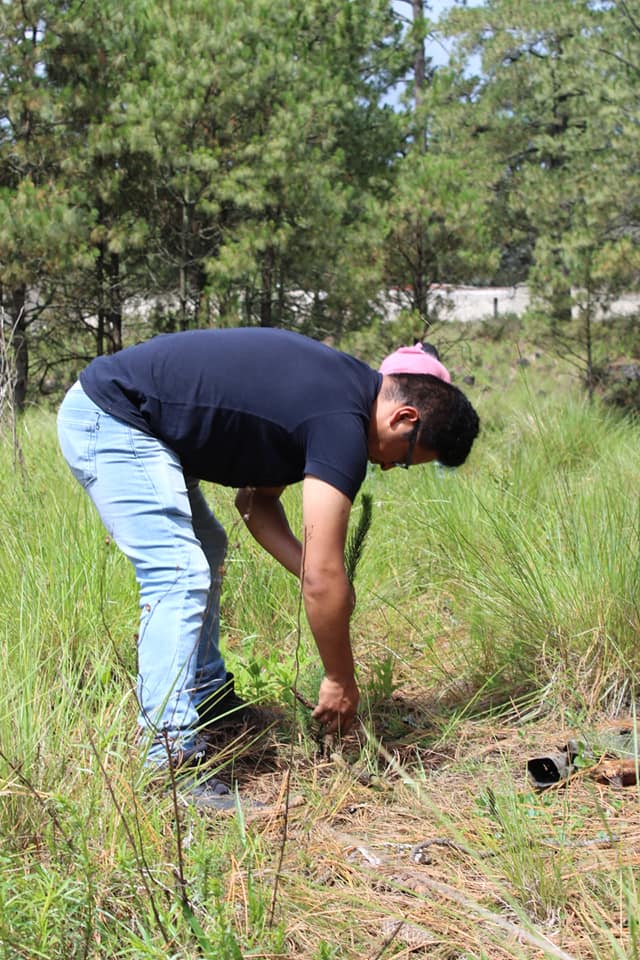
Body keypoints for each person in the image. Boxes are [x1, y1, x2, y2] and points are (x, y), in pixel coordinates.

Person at [57, 327, 479, 806]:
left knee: (207, 547)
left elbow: (255, 504)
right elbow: (323, 575)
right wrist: (340, 678)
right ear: (404, 416)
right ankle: (168, 763)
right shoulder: (342, 422)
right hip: (113, 417)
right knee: (177, 571)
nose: (387, 468)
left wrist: (314, 573)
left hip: (132, 418)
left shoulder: (342, 394)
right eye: (404, 459)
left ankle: (208, 697)